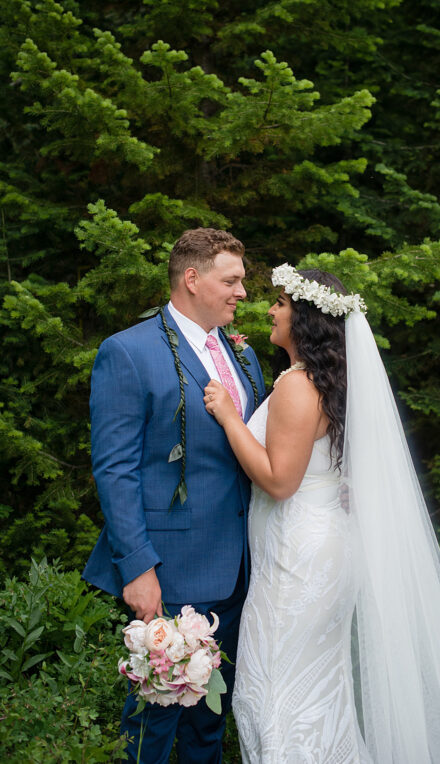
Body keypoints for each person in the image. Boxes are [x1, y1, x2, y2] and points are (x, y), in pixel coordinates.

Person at [203, 265, 440, 762]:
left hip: (296, 562)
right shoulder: (330, 380)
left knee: (277, 695)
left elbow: (280, 481)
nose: (270, 309)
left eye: (280, 302)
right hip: (318, 549)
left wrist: (229, 417)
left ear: (304, 318)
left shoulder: (298, 387)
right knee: (316, 693)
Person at [83, 228, 267, 761]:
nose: (242, 292)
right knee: (152, 723)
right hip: (171, 570)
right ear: (192, 278)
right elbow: (115, 469)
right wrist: (138, 570)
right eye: (231, 280)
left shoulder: (244, 355)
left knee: (209, 721)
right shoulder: (127, 352)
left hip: (240, 568)